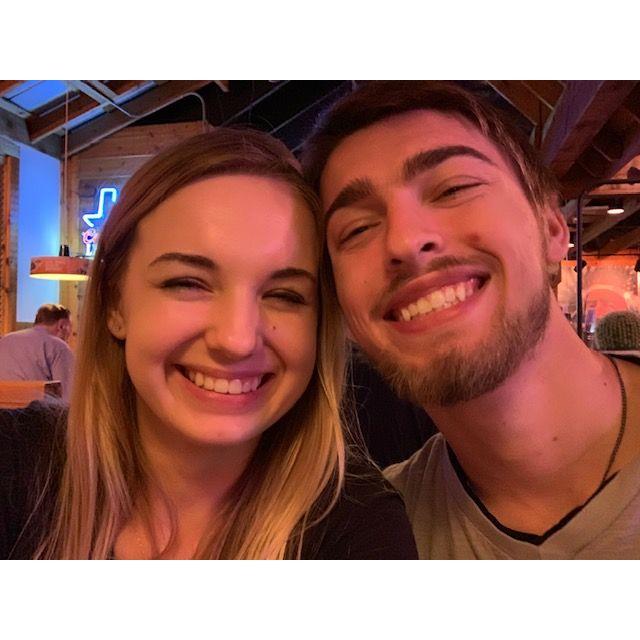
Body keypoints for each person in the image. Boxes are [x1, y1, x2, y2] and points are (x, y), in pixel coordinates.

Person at [0, 128, 417, 560]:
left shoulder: (361, 528)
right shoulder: (17, 462)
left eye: (284, 295)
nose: (237, 340)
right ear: (115, 304)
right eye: (188, 283)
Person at [303, 81, 640, 559]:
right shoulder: (375, 540)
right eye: (356, 229)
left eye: (453, 189)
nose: (404, 241)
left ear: (550, 230)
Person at [0, 303, 74, 401]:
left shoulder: (5, 340)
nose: (70, 335)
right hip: (36, 409)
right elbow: (67, 396)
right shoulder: (59, 347)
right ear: (62, 326)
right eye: (71, 327)